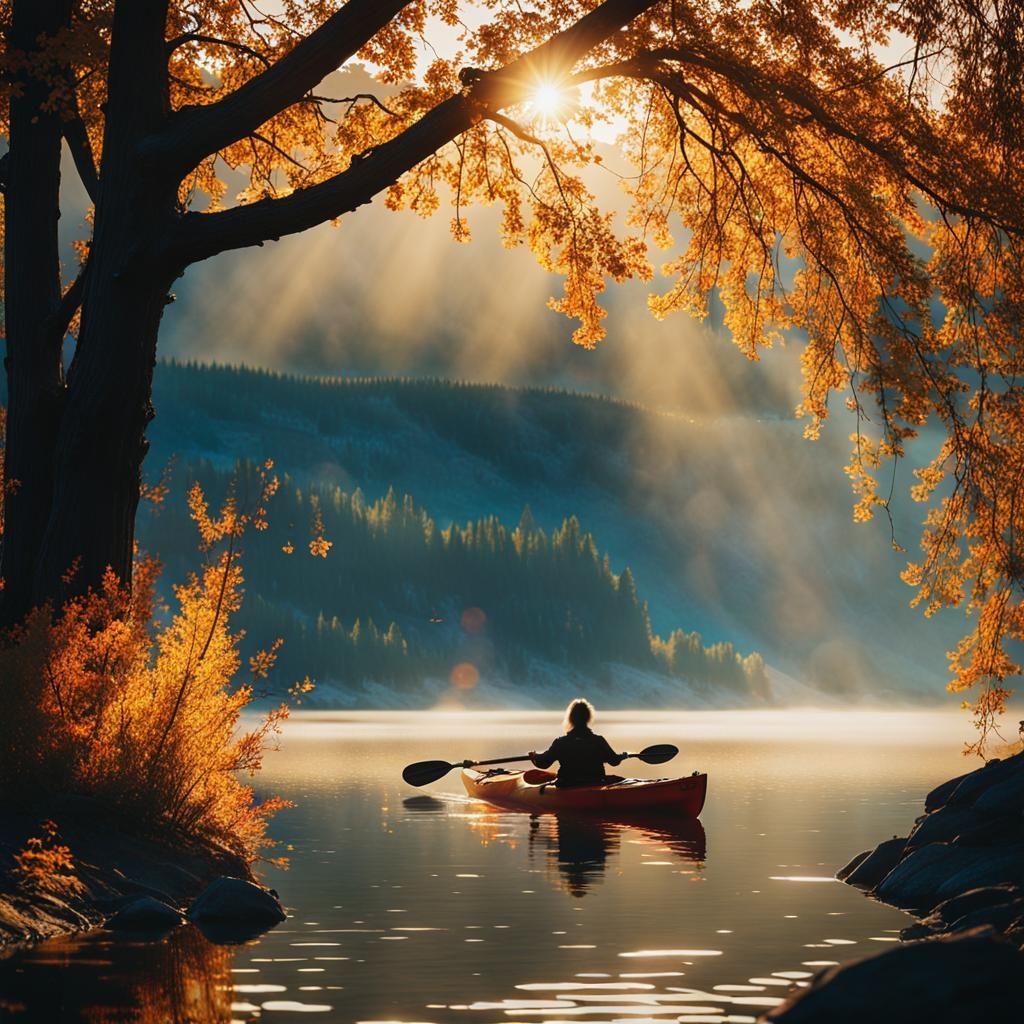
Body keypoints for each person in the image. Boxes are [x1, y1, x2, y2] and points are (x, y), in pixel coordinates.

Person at [528, 698, 626, 787]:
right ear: (588, 718)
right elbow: (614, 761)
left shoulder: (561, 743)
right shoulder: (598, 741)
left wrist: (535, 756)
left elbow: (544, 763)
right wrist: (623, 756)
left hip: (567, 785)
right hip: (595, 784)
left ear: (571, 719)